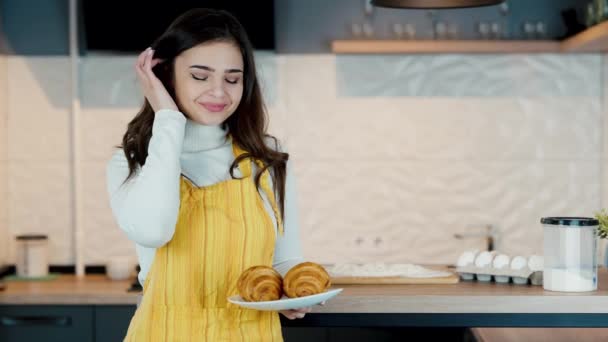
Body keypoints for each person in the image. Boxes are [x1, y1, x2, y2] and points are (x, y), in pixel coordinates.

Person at [105, 8, 311, 341]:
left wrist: (290, 292)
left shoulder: (268, 159)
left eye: (232, 79)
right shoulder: (132, 161)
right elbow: (154, 230)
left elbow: (285, 258)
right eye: (200, 76)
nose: (219, 92)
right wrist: (168, 119)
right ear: (167, 75)